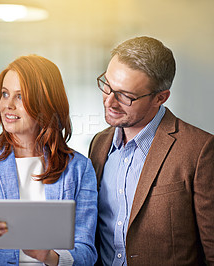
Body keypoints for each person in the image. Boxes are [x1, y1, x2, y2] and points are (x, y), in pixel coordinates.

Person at [0, 55, 98, 265]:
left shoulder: (78, 168)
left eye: (20, 97)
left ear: (46, 103)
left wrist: (49, 256)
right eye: (5, 94)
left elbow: (86, 251)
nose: (8, 105)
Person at [88, 36, 214, 265]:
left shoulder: (200, 151)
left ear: (160, 97)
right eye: (107, 85)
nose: (109, 102)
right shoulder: (98, 144)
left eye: (126, 96)